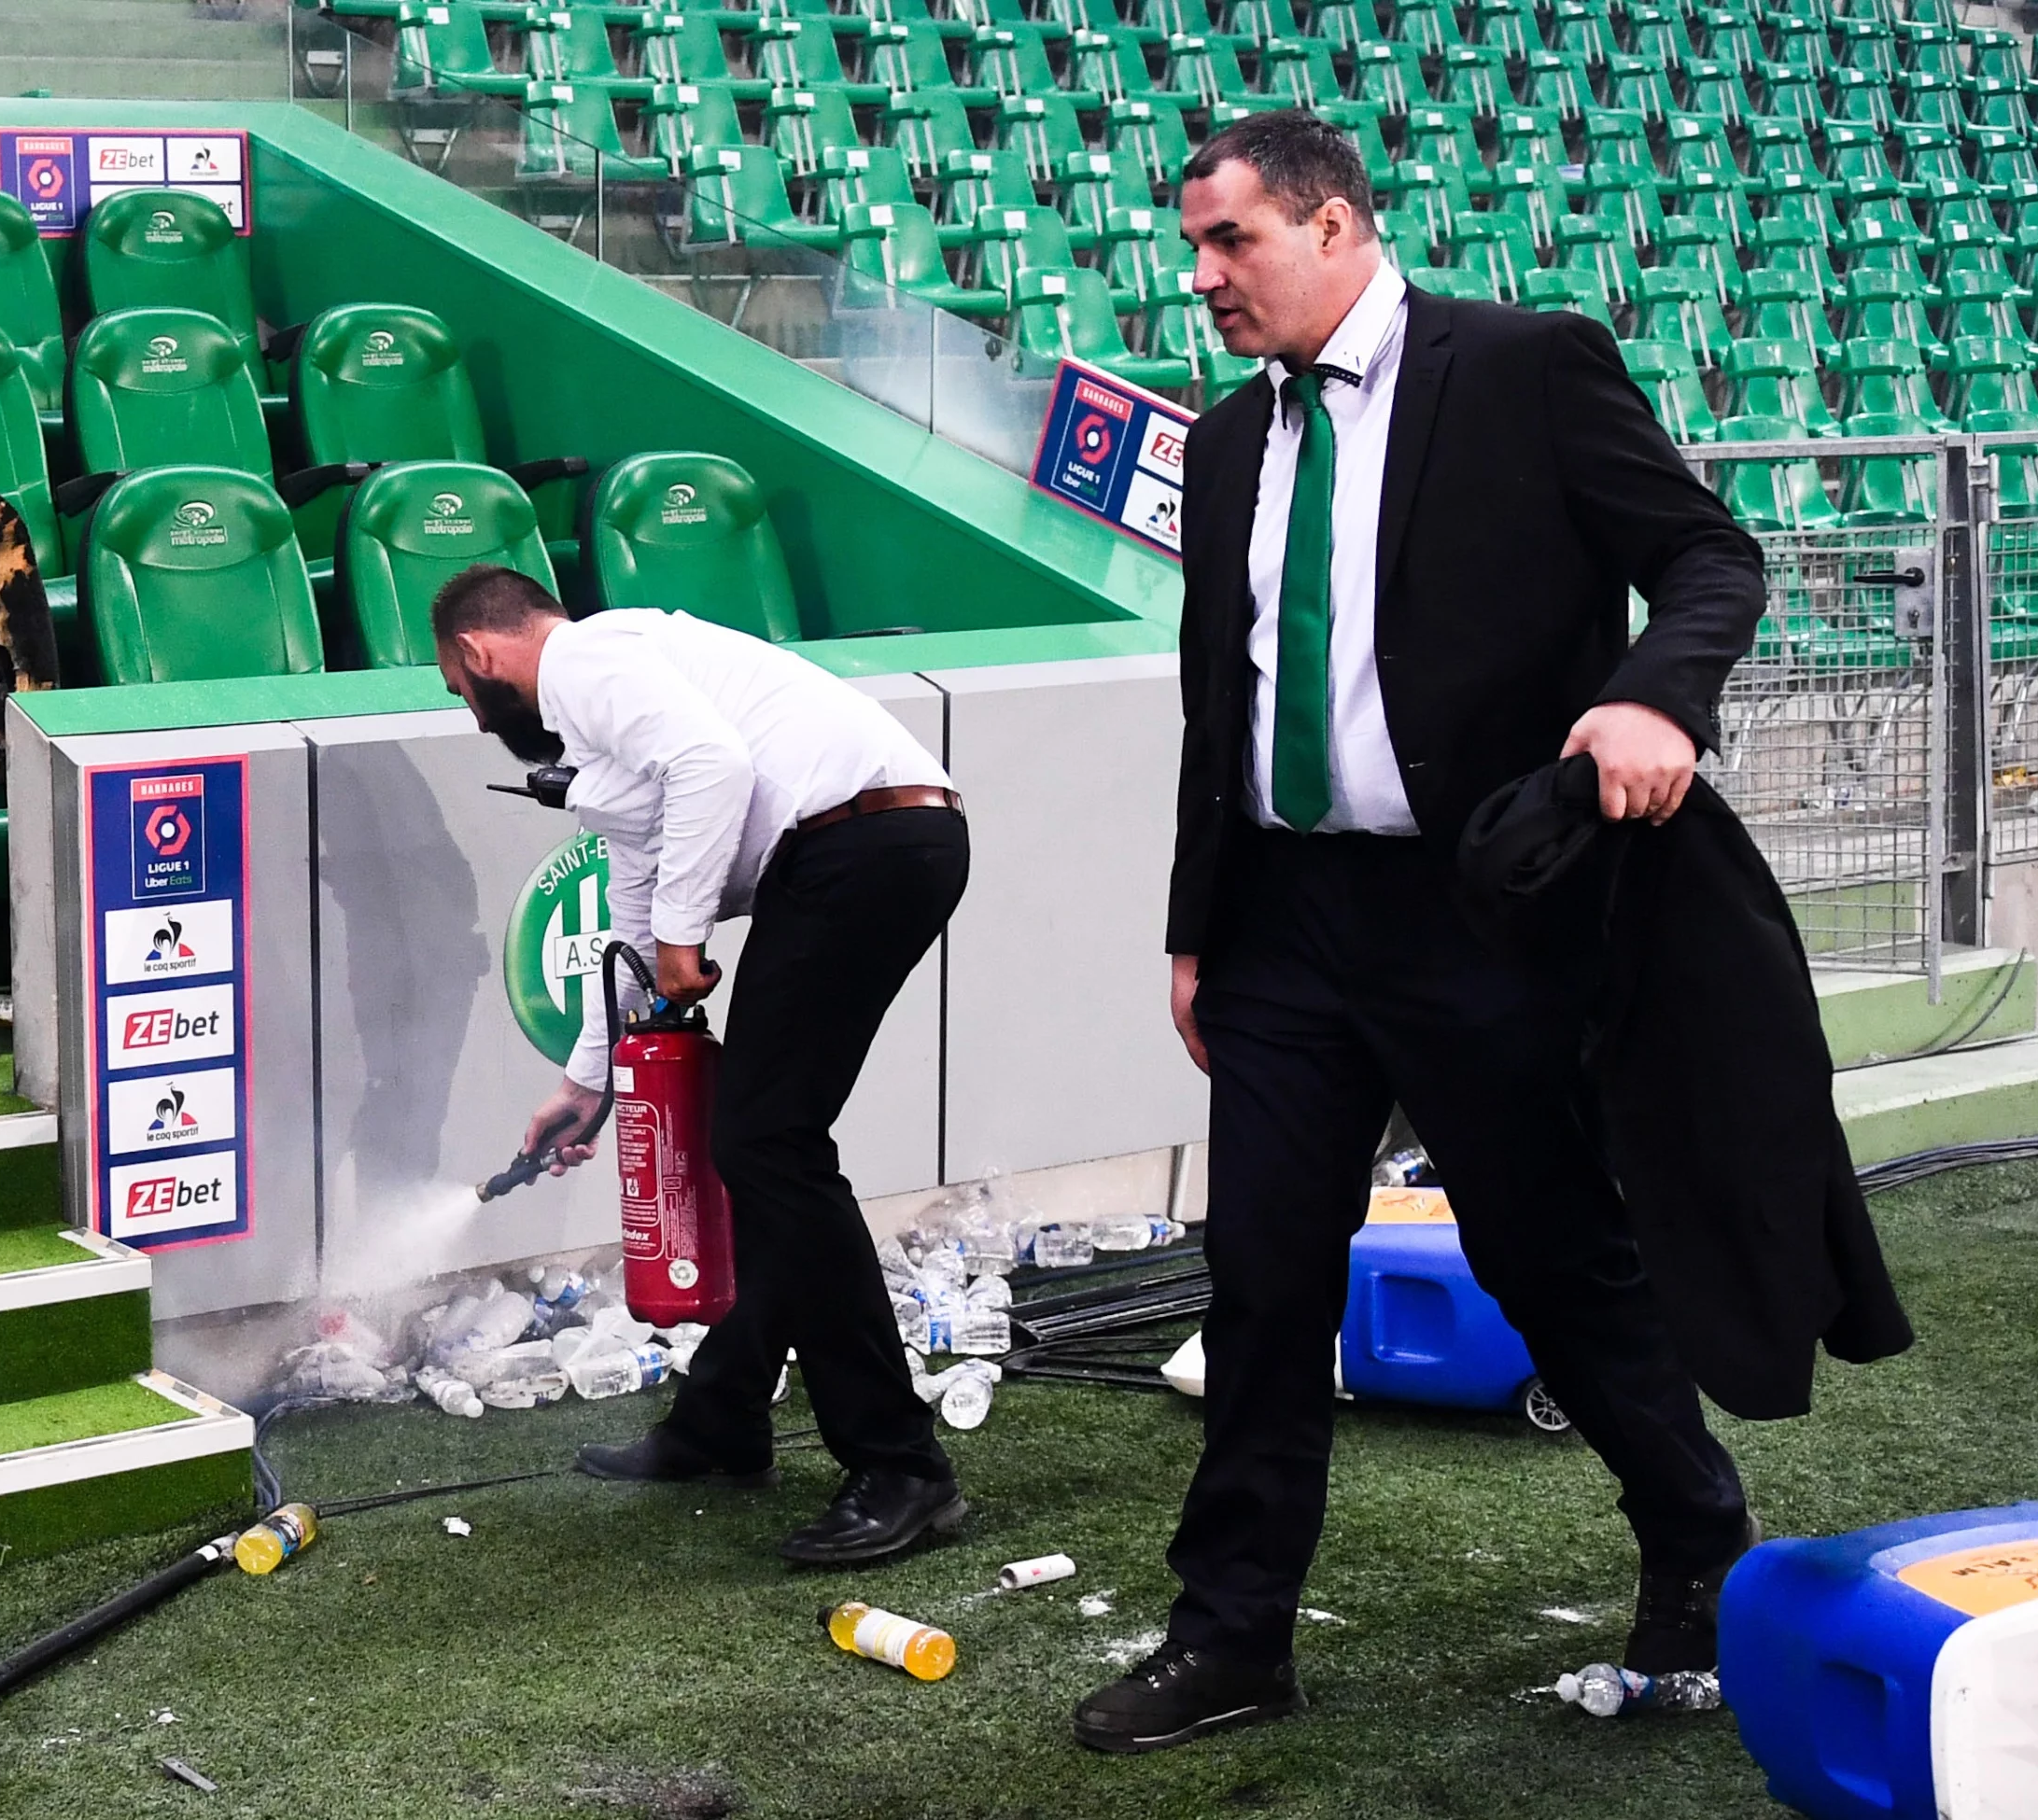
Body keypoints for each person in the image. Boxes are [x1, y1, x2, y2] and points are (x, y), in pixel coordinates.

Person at [1071, 112, 1770, 1754]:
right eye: (1194, 246)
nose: (1203, 278)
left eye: (1230, 241)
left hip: (1475, 914)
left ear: (1335, 226)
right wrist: (1196, 928)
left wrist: (1647, 699)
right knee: (1258, 1273)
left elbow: (1705, 557)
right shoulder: (1231, 436)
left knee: (1550, 1257)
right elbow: (1220, 703)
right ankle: (1233, 1633)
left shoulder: (1525, 367)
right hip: (1284, 926)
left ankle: (1693, 1533)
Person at [432, 566, 973, 1564]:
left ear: (478, 653)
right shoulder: (611, 718)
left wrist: (685, 938)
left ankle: (902, 1468)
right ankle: (722, 1416)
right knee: (760, 1149)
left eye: (460, 692)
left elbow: (713, 771)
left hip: (864, 844)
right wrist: (587, 1084)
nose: (471, 718)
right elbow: (639, 906)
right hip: (875, 845)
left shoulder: (583, 660)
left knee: (768, 1144)